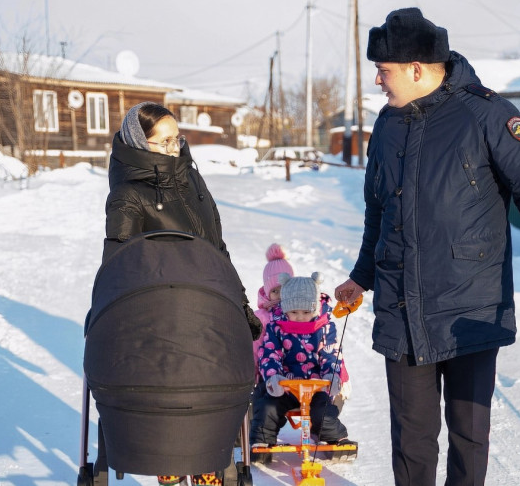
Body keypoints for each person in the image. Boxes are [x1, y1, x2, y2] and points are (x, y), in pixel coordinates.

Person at [333, 8, 520, 486]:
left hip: (469, 307)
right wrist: (361, 277)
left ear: (416, 69)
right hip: (402, 307)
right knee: (411, 439)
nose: (379, 82)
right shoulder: (386, 126)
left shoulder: (487, 114)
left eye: (383, 71)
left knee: (469, 437)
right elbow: (378, 212)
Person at [105, 102, 262, 486]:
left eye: (178, 138)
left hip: (208, 304)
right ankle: (172, 465)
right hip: (161, 314)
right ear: (140, 143)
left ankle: (211, 463)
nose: (175, 148)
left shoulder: (190, 178)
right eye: (165, 141)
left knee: (216, 386)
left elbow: (217, 249)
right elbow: (118, 266)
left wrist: (240, 303)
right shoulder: (128, 195)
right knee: (175, 396)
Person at [250, 272, 355, 460]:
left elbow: (330, 354)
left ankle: (334, 440)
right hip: (287, 387)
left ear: (314, 309)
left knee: (323, 414)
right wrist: (274, 377)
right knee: (267, 407)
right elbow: (269, 353)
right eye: (294, 312)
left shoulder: (324, 327)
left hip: (316, 388)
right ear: (285, 309)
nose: (299, 317)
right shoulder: (277, 327)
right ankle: (262, 442)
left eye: (306, 312)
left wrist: (331, 375)